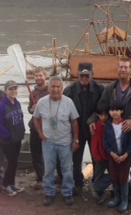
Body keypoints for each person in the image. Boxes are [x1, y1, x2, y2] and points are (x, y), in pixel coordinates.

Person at [88, 56, 131, 202]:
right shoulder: (110, 88)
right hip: (113, 133)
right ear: (117, 69)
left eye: (126, 67)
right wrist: (92, 120)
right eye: (121, 67)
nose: (123, 70)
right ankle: (115, 187)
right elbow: (101, 108)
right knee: (114, 162)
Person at [33, 76, 79, 206]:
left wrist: (76, 140)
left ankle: (67, 192)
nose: (55, 89)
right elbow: (36, 118)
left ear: (62, 88)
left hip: (65, 142)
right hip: (48, 142)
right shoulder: (41, 102)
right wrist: (40, 133)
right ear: (48, 88)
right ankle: (49, 193)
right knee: (48, 169)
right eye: (53, 86)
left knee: (67, 170)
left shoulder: (68, 102)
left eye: (58, 87)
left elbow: (74, 121)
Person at [63, 62, 104, 194]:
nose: (84, 78)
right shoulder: (69, 90)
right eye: (82, 75)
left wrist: (94, 119)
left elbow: (104, 109)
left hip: (94, 131)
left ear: (92, 75)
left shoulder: (100, 89)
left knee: (97, 158)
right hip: (76, 131)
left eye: (87, 75)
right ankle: (78, 183)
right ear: (77, 74)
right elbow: (63, 111)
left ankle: (97, 184)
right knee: (76, 159)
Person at [0, 80, 26, 197]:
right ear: (6, 91)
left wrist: (22, 131)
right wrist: (8, 136)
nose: (13, 91)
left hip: (17, 138)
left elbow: (21, 118)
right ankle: (5, 185)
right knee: (12, 162)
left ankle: (12, 183)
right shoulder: (1, 106)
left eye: (15, 89)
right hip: (7, 141)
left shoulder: (17, 103)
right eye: (10, 89)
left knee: (15, 162)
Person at [104, 101, 131, 212]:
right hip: (113, 156)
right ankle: (116, 198)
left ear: (121, 111)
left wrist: (126, 155)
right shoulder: (108, 125)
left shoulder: (126, 124)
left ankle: (124, 200)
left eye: (117, 110)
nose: (114, 112)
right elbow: (105, 142)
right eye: (112, 110)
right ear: (109, 112)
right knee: (114, 177)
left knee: (123, 178)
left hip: (125, 157)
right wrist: (112, 153)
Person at [27, 67, 50, 189]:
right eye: (36, 76)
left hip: (48, 127)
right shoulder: (33, 92)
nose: (38, 78)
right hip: (35, 126)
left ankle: (53, 176)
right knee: (36, 153)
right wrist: (32, 109)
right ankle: (40, 177)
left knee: (50, 153)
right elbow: (30, 108)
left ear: (45, 76)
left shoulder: (51, 90)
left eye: (40, 75)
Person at [91, 103, 111, 205]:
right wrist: (96, 157)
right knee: (98, 175)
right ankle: (99, 191)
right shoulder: (95, 126)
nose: (104, 117)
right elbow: (94, 144)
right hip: (100, 157)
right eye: (102, 115)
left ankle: (97, 187)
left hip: (110, 156)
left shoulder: (110, 125)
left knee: (113, 175)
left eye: (106, 115)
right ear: (98, 115)